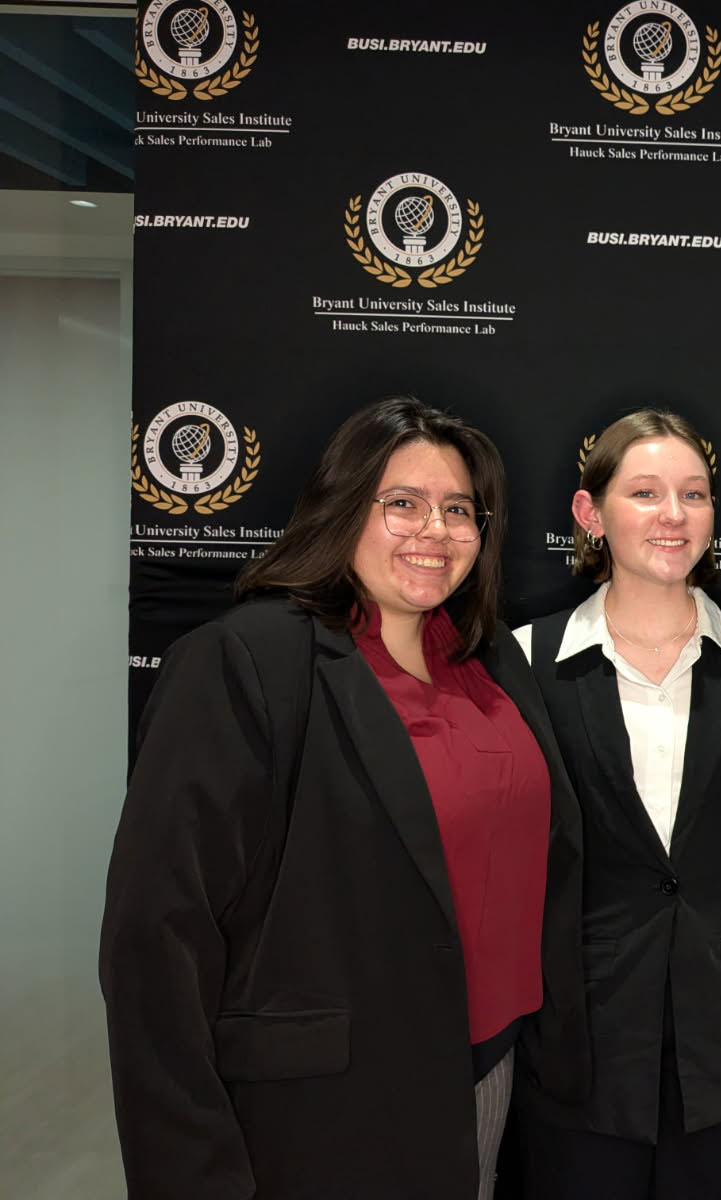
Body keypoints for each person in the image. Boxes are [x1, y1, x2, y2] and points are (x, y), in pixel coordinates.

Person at [99, 396, 585, 1200]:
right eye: (402, 503)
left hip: (488, 1070)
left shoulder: (490, 660)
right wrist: (186, 1167)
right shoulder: (246, 662)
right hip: (324, 1103)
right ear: (342, 508)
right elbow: (155, 938)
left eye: (457, 509)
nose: (435, 529)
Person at [509, 409, 721, 1200]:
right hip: (579, 1035)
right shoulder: (526, 660)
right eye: (645, 492)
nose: (674, 516)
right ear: (590, 513)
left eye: (694, 494)